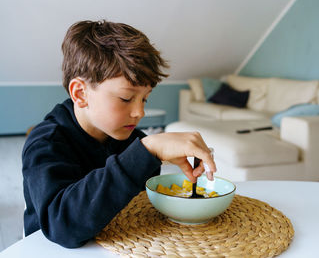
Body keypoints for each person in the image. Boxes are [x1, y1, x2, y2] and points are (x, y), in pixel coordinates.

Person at [22, 20, 216, 248]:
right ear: (80, 93)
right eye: (126, 98)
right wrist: (145, 151)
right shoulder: (45, 143)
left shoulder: (129, 138)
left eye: (145, 98)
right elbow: (63, 226)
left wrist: (154, 158)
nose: (140, 112)